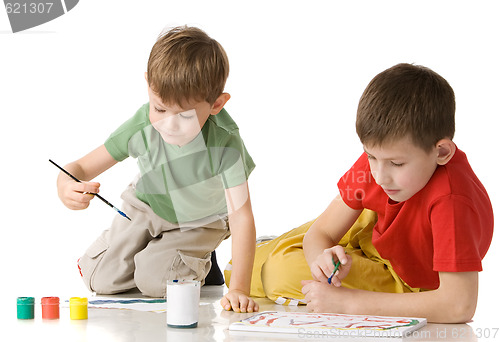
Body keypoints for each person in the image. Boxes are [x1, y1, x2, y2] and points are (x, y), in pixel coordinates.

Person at [237, 63, 493, 323]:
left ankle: (278, 250)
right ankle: (274, 247)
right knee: (247, 263)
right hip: (374, 227)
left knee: (274, 272)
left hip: (409, 277)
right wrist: (321, 260)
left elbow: (459, 306)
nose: (380, 176)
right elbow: (322, 233)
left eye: (397, 164)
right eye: (370, 156)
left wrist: (347, 303)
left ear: (441, 152)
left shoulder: (451, 202)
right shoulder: (383, 162)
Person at [56, 26, 259, 313]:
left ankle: (199, 259)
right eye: (160, 109)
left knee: (156, 283)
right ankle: (164, 254)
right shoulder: (142, 124)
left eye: (185, 115)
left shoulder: (225, 141)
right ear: (149, 85)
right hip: (146, 205)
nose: (168, 125)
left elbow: (241, 215)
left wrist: (239, 288)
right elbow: (80, 167)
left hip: (199, 220)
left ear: (216, 104)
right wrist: (66, 186)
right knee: (99, 277)